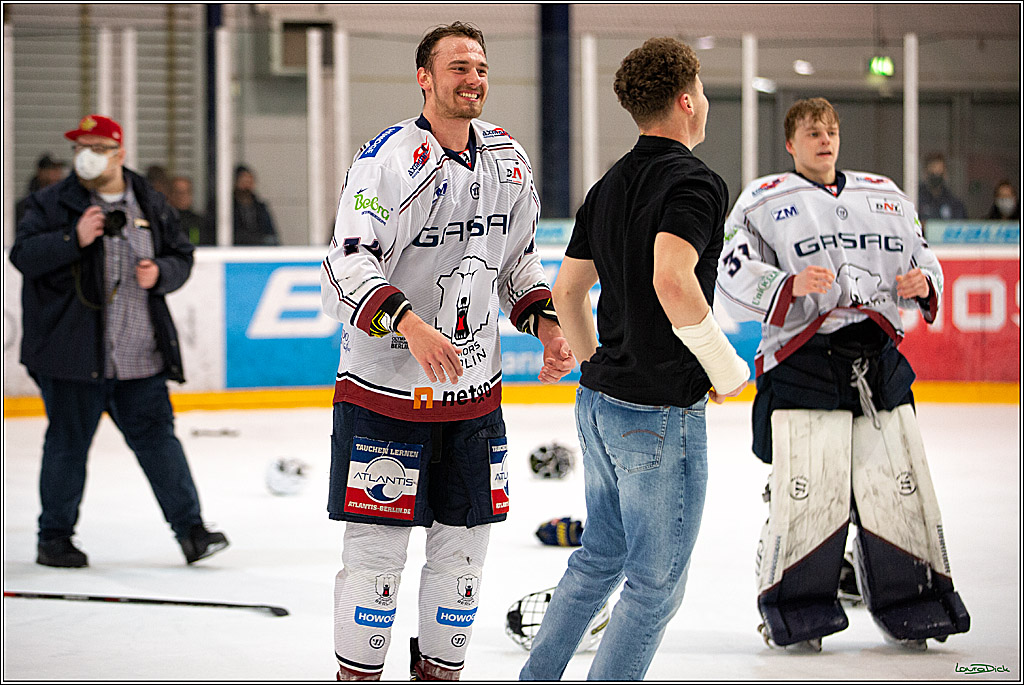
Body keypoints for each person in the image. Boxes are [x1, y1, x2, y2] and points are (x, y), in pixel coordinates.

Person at [319, 22, 574, 681]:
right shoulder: (387, 161)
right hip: (385, 400)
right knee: (376, 570)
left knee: (462, 569)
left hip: (472, 403)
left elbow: (518, 263)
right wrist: (407, 322)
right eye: (458, 66)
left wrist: (545, 321)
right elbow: (344, 265)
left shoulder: (508, 161)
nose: (473, 78)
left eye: (481, 67)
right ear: (424, 78)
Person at [520, 37, 747, 681]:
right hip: (658, 415)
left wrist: (597, 368)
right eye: (701, 92)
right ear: (685, 101)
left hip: (598, 405)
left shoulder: (609, 182)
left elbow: (566, 291)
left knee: (597, 561)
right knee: (654, 589)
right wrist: (725, 369)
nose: (704, 103)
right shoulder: (696, 182)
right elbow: (673, 280)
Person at [715, 97, 970, 651]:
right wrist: (784, 286)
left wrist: (925, 285)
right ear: (791, 144)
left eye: (830, 131)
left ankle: (917, 604)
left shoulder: (886, 196)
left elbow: (924, 258)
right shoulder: (763, 200)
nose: (824, 140)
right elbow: (731, 272)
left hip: (878, 360)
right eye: (811, 133)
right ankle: (796, 611)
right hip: (805, 361)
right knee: (810, 495)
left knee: (898, 490)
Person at [10, 114, 229, 568]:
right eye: (79, 147)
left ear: (119, 153)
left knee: (159, 445)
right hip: (72, 358)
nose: (85, 155)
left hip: (139, 357)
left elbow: (181, 256)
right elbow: (24, 256)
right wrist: (75, 237)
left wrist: (161, 273)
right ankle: (54, 539)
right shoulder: (50, 204)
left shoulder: (150, 200)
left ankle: (192, 532)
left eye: (96, 146)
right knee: (67, 447)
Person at [233, 164, 280, 245]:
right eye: (244, 182)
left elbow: (271, 234)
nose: (247, 186)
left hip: (258, 251)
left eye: (249, 182)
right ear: (236, 182)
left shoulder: (260, 208)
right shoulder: (225, 208)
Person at [16, 153, 67, 223]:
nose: (57, 174)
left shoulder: (67, 203)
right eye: (52, 169)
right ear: (41, 172)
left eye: (59, 169)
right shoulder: (25, 206)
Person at [916, 151, 966, 222]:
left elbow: (960, 226)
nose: (936, 176)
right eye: (932, 174)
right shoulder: (916, 199)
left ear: (945, 174)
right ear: (925, 173)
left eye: (939, 173)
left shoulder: (954, 203)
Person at [169, 175, 214, 246]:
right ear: (170, 194)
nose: (182, 197)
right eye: (178, 192)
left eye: (186, 192)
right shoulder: (165, 220)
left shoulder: (199, 222)